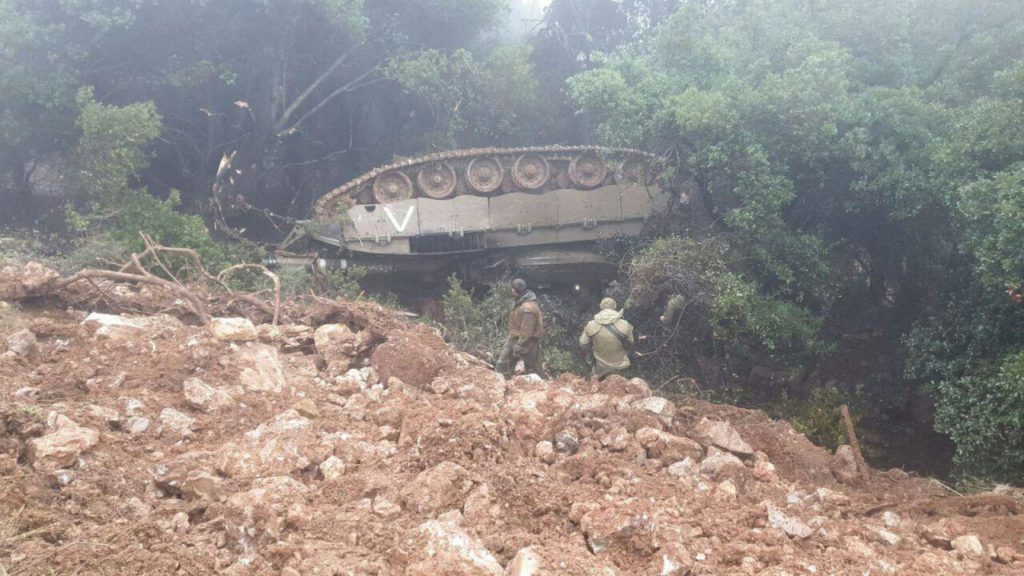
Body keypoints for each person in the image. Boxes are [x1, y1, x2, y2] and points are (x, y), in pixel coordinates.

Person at [496, 278, 545, 378]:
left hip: (528, 342)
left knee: (532, 370)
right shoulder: (521, 301)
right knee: (502, 365)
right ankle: (504, 384)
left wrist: (519, 345)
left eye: (512, 289)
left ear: (515, 290)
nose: (511, 290)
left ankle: (540, 390)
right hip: (514, 338)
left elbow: (526, 331)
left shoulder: (528, 308)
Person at [579, 297, 635, 379]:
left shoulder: (590, 325)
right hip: (621, 367)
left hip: (600, 369)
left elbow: (582, 345)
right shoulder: (625, 324)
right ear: (615, 307)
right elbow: (632, 344)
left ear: (601, 308)